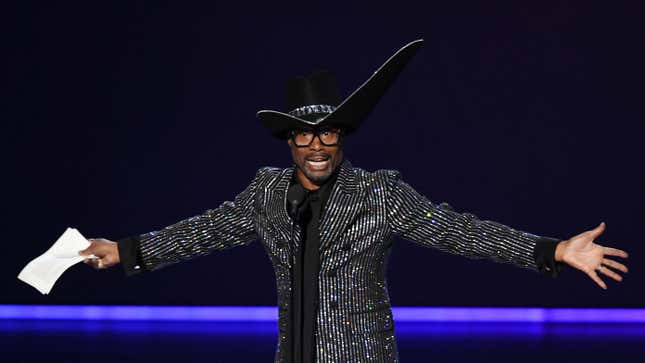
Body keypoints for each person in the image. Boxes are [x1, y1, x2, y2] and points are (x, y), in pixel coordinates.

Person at [80, 40, 629, 363]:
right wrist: (125, 250)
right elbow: (203, 230)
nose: (317, 145)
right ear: (288, 141)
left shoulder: (379, 193)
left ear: (343, 137)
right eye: (304, 135)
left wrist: (552, 250)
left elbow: (460, 231)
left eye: (329, 134)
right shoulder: (265, 194)